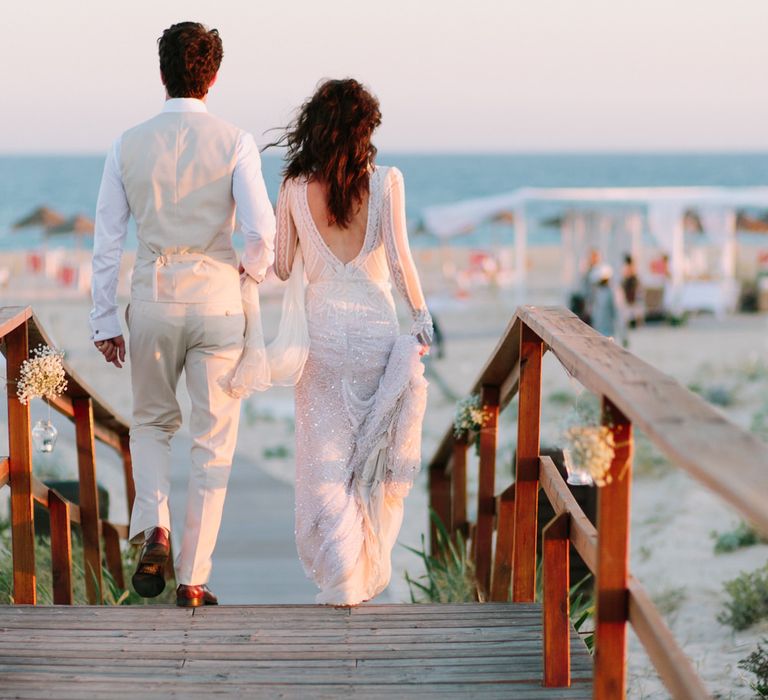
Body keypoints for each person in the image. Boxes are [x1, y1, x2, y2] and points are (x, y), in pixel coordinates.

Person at [89, 22, 276, 607]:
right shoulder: (236, 140)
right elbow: (261, 232)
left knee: (151, 425)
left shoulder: (126, 144)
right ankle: (193, 578)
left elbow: (107, 240)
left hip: (151, 299)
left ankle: (156, 527)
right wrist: (249, 271)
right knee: (212, 443)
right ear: (213, 77)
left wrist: (103, 320)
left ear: (162, 73)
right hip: (218, 300)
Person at [271, 79, 433, 605]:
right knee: (372, 461)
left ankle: (343, 575)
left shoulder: (295, 189)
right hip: (375, 338)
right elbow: (401, 260)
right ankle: (360, 573)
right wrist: (423, 322)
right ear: (364, 131)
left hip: (321, 343)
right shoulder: (388, 182)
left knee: (326, 463)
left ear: (314, 128)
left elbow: (279, 263)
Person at [589, 264, 628, 346]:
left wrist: (623, 336)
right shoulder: (599, 291)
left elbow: (619, 314)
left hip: (609, 335)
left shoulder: (614, 292)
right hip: (597, 333)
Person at [620, 253, 643, 327]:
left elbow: (626, 278)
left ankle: (632, 321)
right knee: (632, 307)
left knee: (631, 306)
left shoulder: (629, 268)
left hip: (630, 287)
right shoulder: (633, 267)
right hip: (631, 287)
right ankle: (633, 321)